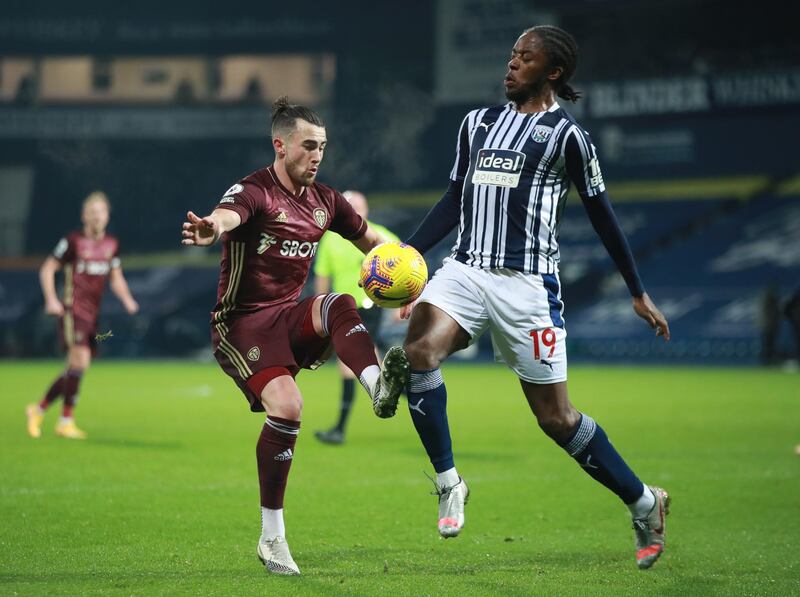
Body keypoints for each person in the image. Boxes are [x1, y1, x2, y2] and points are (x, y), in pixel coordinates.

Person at [384, 26, 672, 570]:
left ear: (554, 72)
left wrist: (637, 291)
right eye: (511, 54)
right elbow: (454, 199)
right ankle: (449, 483)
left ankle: (643, 502)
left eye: (525, 57)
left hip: (528, 287)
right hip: (465, 271)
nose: (511, 64)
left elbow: (602, 216)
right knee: (420, 352)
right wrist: (409, 257)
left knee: (557, 420)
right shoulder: (478, 123)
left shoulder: (568, 138)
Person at [180, 97, 409, 576]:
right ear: (280, 146)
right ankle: (272, 537)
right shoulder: (254, 190)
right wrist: (211, 228)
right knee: (289, 407)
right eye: (309, 146)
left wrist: (412, 276)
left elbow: (374, 243)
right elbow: (229, 215)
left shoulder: (326, 201)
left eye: (322, 146)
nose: (318, 155)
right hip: (240, 325)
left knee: (339, 303)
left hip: (287, 317)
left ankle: (377, 385)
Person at [26, 191, 139, 440]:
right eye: (92, 212)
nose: (96, 217)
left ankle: (39, 409)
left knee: (78, 366)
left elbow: (116, 277)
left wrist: (127, 299)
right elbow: (47, 268)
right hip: (71, 310)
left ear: (107, 216)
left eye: (101, 212)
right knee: (78, 362)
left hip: (92, 315)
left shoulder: (111, 244)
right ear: (84, 216)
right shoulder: (72, 241)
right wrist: (51, 299)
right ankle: (65, 420)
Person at [313, 190, 401, 445]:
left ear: (366, 209)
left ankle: (339, 429)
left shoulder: (379, 235)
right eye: (349, 207)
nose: (354, 211)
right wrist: (319, 305)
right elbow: (322, 275)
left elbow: (405, 266)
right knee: (370, 362)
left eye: (358, 206)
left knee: (349, 360)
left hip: (368, 304)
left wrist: (399, 304)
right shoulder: (330, 238)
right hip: (342, 307)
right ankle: (411, 392)